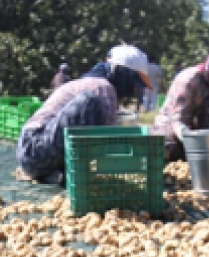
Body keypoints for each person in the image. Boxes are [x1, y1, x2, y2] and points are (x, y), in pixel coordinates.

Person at [18, 45, 152, 185]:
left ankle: (54, 173)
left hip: (35, 151)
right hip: (34, 149)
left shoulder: (92, 83)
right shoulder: (103, 88)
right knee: (89, 101)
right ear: (123, 74)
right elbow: (109, 139)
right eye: (134, 83)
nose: (134, 90)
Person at [151, 41, 209, 162]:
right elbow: (177, 120)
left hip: (207, 137)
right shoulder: (189, 80)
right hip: (176, 131)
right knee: (168, 150)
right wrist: (195, 143)